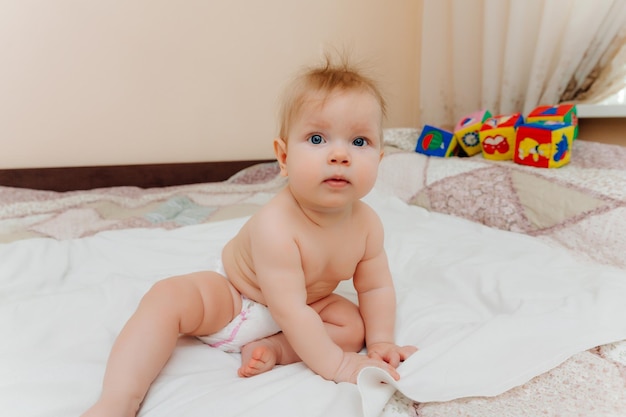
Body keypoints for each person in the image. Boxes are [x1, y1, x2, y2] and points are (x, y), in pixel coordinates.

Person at [82, 56, 417, 417]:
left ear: (380, 160)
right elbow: (288, 308)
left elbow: (375, 288)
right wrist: (337, 366)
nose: (339, 154)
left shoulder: (368, 225)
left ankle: (275, 350)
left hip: (306, 306)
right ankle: (119, 398)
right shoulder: (276, 225)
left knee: (353, 325)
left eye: (359, 141)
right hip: (237, 299)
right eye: (317, 138)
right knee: (168, 298)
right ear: (284, 157)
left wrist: (381, 341)